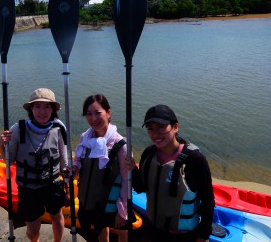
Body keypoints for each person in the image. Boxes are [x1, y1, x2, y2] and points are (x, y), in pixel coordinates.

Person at [126, 104, 214, 242]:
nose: (155, 134)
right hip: (154, 231)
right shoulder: (149, 154)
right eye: (150, 129)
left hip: (185, 236)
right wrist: (132, 170)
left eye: (161, 127)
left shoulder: (194, 160)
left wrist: (202, 236)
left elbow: (208, 202)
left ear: (175, 127)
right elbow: (141, 187)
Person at [0, 88, 69, 242]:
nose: (42, 111)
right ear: (31, 108)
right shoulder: (18, 129)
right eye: (37, 106)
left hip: (53, 185)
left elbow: (64, 160)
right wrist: (1, 145)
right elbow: (9, 160)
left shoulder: (59, 128)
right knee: (33, 229)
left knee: (57, 218)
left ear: (53, 109)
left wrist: (68, 187)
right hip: (28, 189)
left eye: (47, 106)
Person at [72, 94, 130, 242]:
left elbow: (126, 180)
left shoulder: (120, 145)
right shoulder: (85, 138)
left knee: (122, 232)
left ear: (108, 113)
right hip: (89, 200)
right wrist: (74, 168)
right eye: (89, 114)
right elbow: (78, 160)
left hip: (108, 203)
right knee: (100, 231)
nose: (93, 119)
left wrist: (123, 211)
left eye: (98, 113)